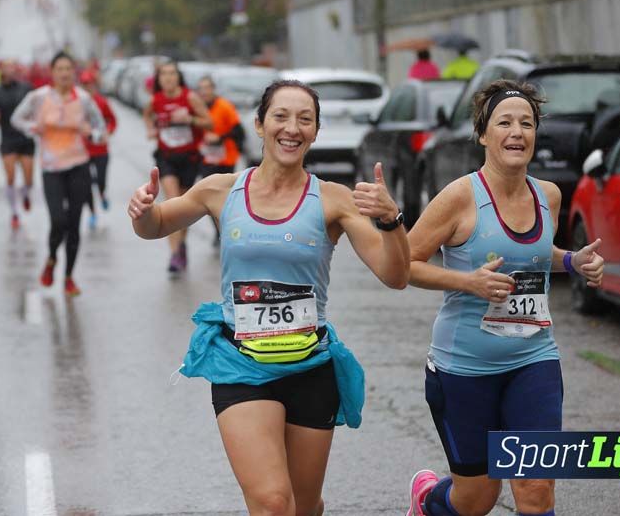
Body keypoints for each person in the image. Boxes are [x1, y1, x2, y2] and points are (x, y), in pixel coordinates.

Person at [128, 79, 410, 516]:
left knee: (303, 506)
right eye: (281, 116)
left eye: (305, 119)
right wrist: (143, 212)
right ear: (259, 124)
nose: (291, 128)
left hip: (310, 366)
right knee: (274, 503)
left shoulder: (334, 200)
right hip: (241, 364)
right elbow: (159, 222)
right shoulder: (220, 189)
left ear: (315, 132)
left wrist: (392, 222)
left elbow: (394, 274)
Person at [405, 79, 603, 516]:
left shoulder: (547, 196)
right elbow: (404, 264)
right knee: (476, 499)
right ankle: (427, 501)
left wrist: (572, 262)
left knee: (535, 486)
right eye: (505, 122)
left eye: (527, 124)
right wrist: (467, 282)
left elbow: (531, 256)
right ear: (483, 134)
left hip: (534, 360)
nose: (517, 132)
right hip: (463, 369)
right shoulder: (459, 198)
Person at [11, 51, 107, 297]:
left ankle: (68, 277)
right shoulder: (38, 97)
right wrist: (34, 127)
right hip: (51, 168)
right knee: (58, 221)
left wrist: (91, 134)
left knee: (74, 224)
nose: (64, 73)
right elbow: (16, 119)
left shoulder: (84, 99)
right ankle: (52, 258)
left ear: (73, 72)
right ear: (52, 73)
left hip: (78, 165)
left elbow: (101, 129)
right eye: (59, 69)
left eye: (68, 69)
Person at [142, 61, 214, 275]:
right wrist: (150, 130)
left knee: (183, 208)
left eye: (172, 74)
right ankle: (174, 254)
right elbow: (147, 115)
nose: (168, 78)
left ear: (178, 77)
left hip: (189, 158)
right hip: (166, 158)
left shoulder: (189, 97)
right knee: (172, 202)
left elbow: (209, 123)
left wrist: (189, 118)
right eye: (164, 74)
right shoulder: (155, 100)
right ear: (159, 79)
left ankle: (181, 244)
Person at [0, 64, 35, 229]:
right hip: (8, 139)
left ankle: (25, 194)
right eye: (7, 68)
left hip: (26, 138)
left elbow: (37, 107)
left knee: (28, 179)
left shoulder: (26, 88)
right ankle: (14, 213)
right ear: (1, 72)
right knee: (11, 177)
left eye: (13, 68)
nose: (10, 71)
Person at [195, 75, 244, 244]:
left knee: (226, 197)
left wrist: (220, 138)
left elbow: (239, 131)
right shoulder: (197, 109)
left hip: (226, 159)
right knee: (208, 196)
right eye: (201, 89)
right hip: (206, 159)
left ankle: (228, 228)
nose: (204, 92)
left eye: (207, 88)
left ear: (213, 89)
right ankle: (218, 230)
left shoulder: (224, 106)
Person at [79, 70, 117, 229]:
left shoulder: (102, 102)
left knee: (100, 180)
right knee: (86, 184)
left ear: (95, 85)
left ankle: (102, 194)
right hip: (83, 151)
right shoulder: (77, 103)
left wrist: (107, 132)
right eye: (85, 85)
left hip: (101, 149)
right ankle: (92, 213)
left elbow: (113, 121)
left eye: (90, 85)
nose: (88, 88)